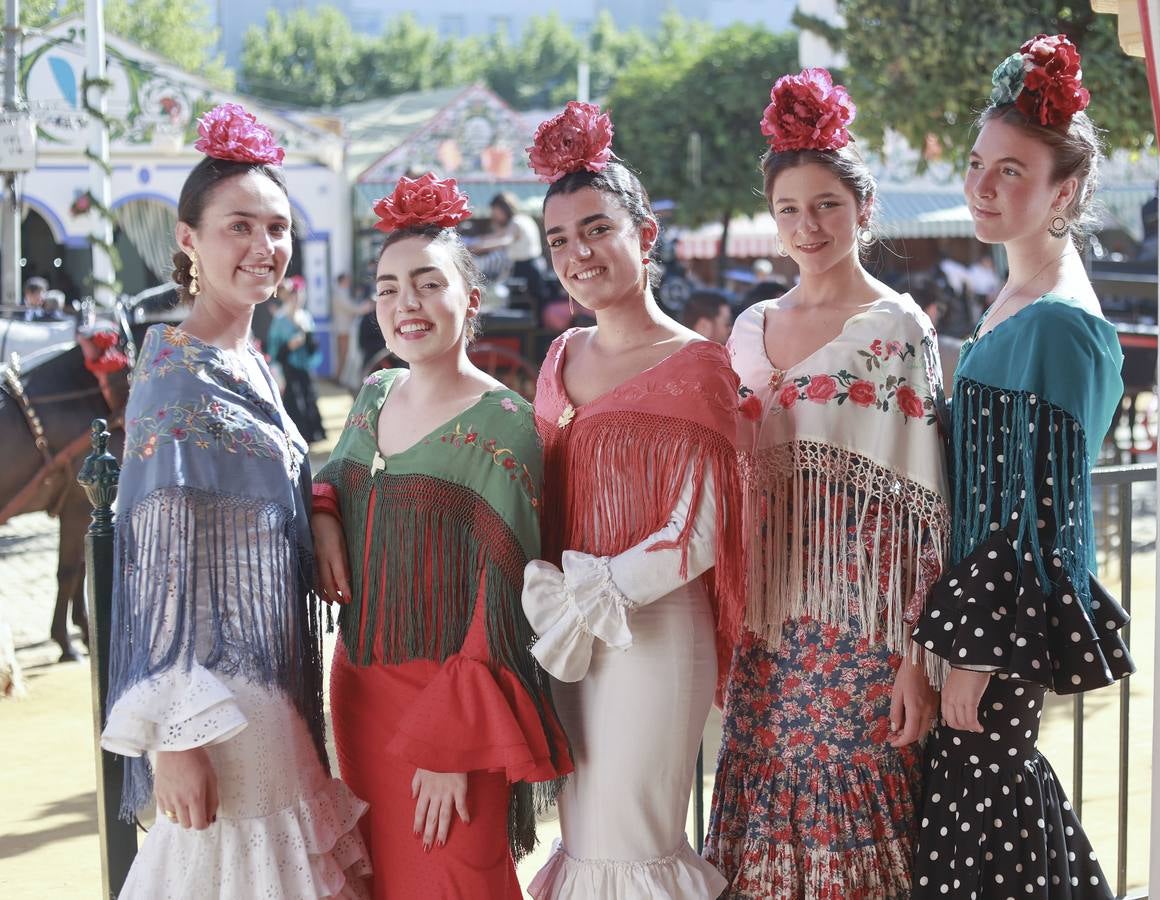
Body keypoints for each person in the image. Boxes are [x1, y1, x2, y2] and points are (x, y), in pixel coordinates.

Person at [99, 102, 371, 899]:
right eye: (239, 226)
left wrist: (319, 508)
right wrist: (176, 735)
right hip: (218, 701)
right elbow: (157, 560)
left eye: (279, 227)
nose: (265, 247)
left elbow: (280, 479)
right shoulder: (176, 374)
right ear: (188, 240)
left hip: (264, 684)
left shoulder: (246, 361)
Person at [704, 68, 949, 899]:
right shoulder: (748, 329)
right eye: (789, 210)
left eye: (826, 206)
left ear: (863, 210)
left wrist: (918, 658)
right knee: (760, 785)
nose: (807, 226)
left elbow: (924, 508)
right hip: (760, 617)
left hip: (858, 624)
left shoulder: (895, 328)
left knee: (851, 801)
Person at [909, 34, 1135, 899]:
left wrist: (978, 650)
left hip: (994, 628)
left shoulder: (1058, 323)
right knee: (971, 814)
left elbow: (1044, 514)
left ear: (1063, 191)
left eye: (1011, 171)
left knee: (987, 809)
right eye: (977, 164)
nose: (981, 185)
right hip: (972, 611)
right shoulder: (1018, 298)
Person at [311, 173, 570, 900]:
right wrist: (325, 514)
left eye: (428, 284)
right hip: (359, 687)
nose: (405, 304)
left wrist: (452, 743)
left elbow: (506, 598)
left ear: (471, 300)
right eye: (388, 288)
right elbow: (332, 478)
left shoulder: (507, 424)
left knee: (458, 880)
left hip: (447, 706)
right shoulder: (374, 393)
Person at [519, 101, 743, 899]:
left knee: (628, 844)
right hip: (562, 637)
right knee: (581, 839)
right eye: (558, 240)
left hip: (649, 630)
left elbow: (703, 530)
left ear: (645, 236)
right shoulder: (558, 356)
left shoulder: (698, 365)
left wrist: (595, 594)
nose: (578, 253)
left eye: (597, 229)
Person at [267, 275, 325, 442]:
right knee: (294, 399)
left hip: (305, 365)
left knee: (309, 395)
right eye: (295, 295)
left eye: (301, 295)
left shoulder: (305, 317)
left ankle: (312, 434)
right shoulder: (280, 319)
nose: (298, 298)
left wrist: (307, 339)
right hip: (288, 366)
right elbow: (274, 348)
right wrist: (289, 346)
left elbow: (313, 345)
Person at [469, 192, 549, 304]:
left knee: (530, 303)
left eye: (496, 212)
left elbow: (505, 240)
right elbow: (499, 235)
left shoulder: (517, 222)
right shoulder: (522, 219)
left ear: (504, 209)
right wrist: (481, 240)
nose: (495, 216)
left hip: (527, 267)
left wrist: (480, 247)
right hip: (532, 265)